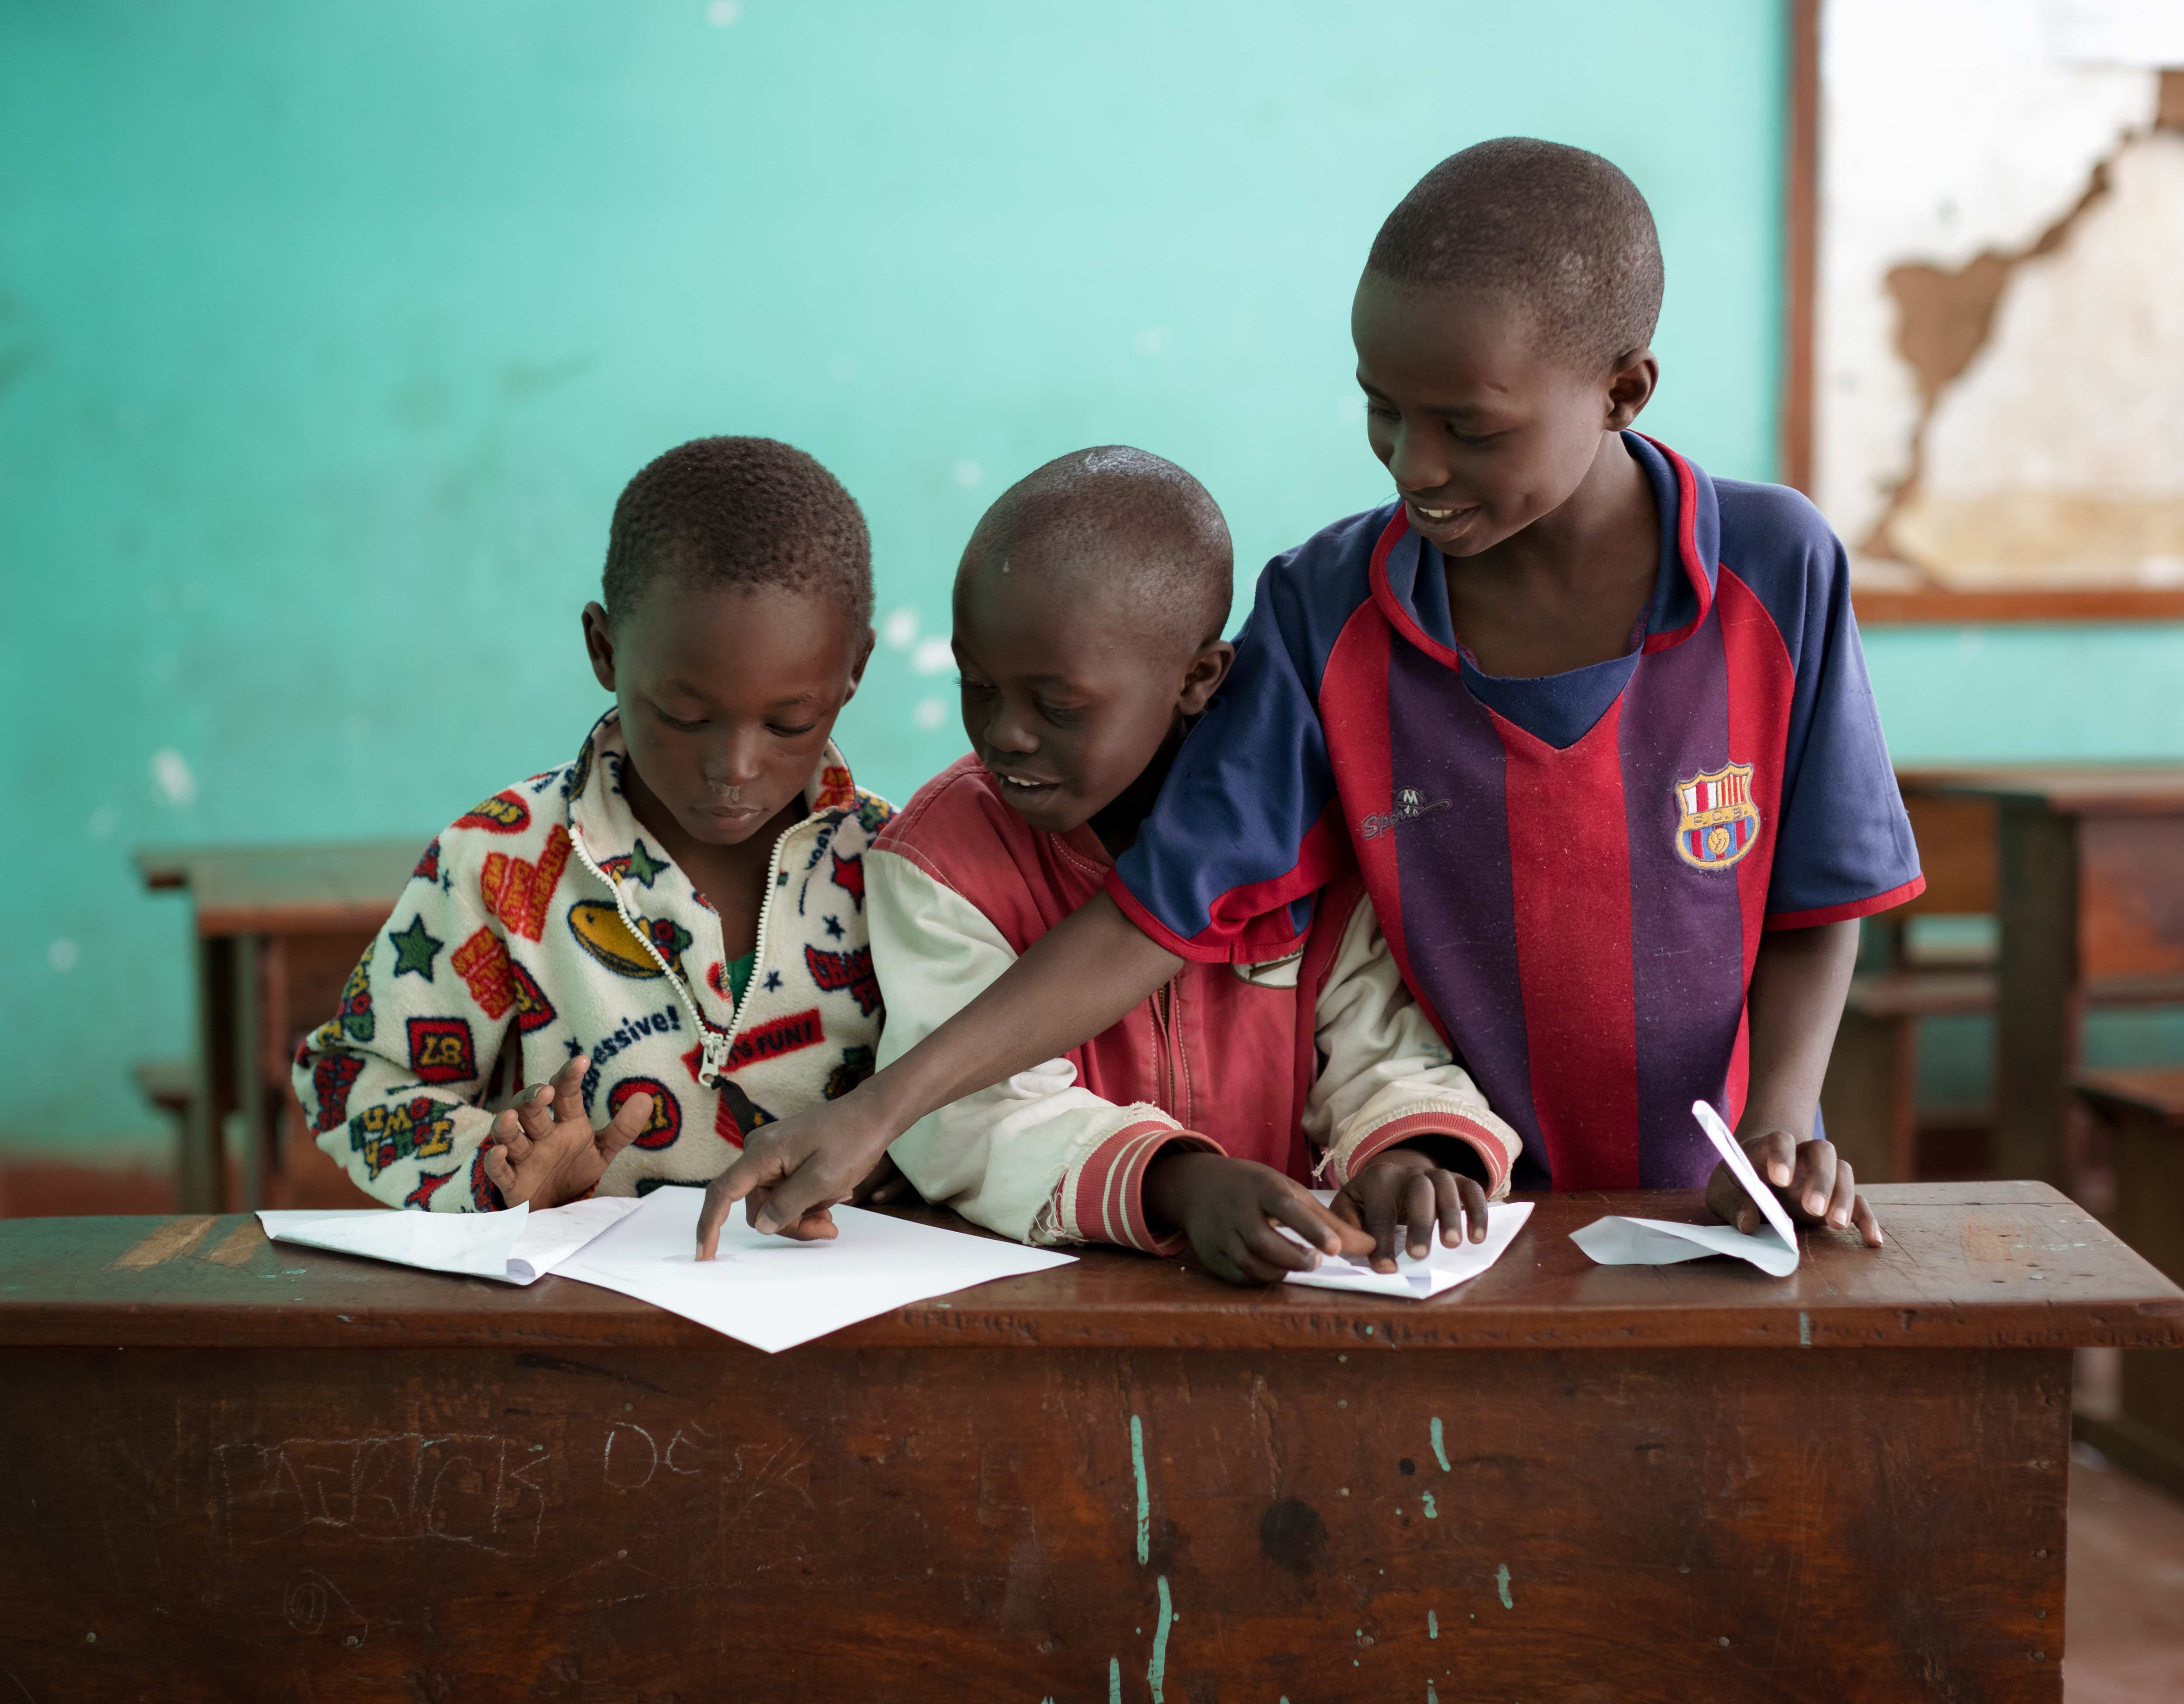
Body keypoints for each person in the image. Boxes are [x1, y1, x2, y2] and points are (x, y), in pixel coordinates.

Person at [701, 139, 1918, 1251]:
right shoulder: (1325, 611)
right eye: (1382, 408)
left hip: (1711, 1209)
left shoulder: (1777, 570)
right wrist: (881, 1110)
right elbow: (1159, 913)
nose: (1413, 463)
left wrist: (1773, 1128)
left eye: (1467, 426)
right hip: (1466, 1215)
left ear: (1621, 391)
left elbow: (1819, 900)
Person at [744, 447, 1521, 1282]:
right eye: (978, 685)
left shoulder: (1306, 842)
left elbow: (1382, 1047)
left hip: (1298, 1312)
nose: (1004, 732)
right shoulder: (942, 862)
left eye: (1058, 705)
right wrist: (1180, 1186)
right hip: (1055, 1318)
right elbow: (972, 1121)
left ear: (1197, 677)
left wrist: (1410, 1150)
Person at [294, 436, 892, 1211]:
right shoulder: (499, 859)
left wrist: (894, 1159)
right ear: (605, 649)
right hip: (568, 1317)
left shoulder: (899, 868)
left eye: (790, 722)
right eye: (684, 714)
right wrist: (496, 1163)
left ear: (854, 672)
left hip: (830, 1313)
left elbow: (970, 1107)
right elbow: (352, 1081)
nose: (734, 766)